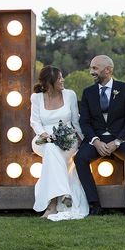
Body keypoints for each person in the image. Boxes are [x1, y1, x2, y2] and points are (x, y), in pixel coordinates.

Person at [75, 55, 125, 218]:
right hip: (97, 139)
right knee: (80, 159)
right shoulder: (88, 93)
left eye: (95, 68)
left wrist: (118, 141)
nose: (92, 72)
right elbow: (84, 122)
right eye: (91, 68)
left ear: (108, 70)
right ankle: (94, 204)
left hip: (120, 138)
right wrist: (95, 141)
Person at [30, 65, 89, 221]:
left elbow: (76, 120)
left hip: (68, 139)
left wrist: (83, 139)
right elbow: (35, 122)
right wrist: (46, 135)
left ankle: (52, 205)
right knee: (49, 147)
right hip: (42, 139)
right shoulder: (36, 98)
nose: (63, 80)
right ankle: (64, 193)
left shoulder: (69, 95)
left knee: (52, 152)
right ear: (50, 83)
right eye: (59, 78)